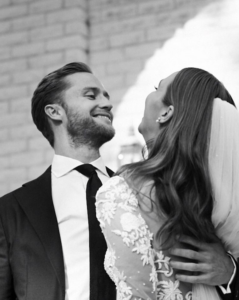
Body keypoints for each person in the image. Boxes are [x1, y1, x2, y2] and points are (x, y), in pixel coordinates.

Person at [96, 67, 239, 300]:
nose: (150, 95)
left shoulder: (123, 191)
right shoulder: (220, 198)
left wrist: (231, 271)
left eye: (157, 88)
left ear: (166, 113)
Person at [0, 62, 116, 300]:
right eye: (91, 95)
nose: (106, 103)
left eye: (106, 96)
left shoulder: (141, 193)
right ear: (55, 112)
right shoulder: (10, 211)